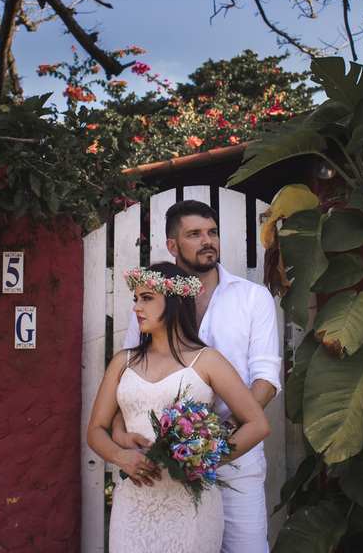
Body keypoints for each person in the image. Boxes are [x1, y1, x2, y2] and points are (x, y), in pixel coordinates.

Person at [117, 200, 282, 553]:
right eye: (195, 234)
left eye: (212, 232)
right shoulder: (149, 304)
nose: (208, 241)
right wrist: (119, 433)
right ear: (172, 246)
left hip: (237, 456)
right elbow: (129, 372)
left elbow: (266, 377)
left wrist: (211, 442)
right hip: (164, 466)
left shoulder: (253, 298)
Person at [87, 263, 270, 553]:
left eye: (146, 298)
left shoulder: (207, 361)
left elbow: (258, 425)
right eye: (136, 299)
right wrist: (120, 456)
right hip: (133, 502)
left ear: (173, 302)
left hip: (190, 505)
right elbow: (96, 429)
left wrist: (206, 461)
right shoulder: (123, 362)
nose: (137, 308)